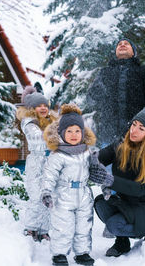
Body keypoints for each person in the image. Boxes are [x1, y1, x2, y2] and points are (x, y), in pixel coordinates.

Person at [88, 106, 145, 257]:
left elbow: (140, 188)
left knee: (114, 225)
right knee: (101, 204)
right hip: (127, 201)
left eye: (141, 128)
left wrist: (108, 180)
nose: (134, 131)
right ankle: (122, 242)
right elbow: (97, 158)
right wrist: (74, 156)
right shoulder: (120, 144)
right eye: (134, 124)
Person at [87, 38, 145, 145]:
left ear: (133, 52)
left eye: (126, 44)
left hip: (135, 132)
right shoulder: (104, 72)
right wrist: (96, 91)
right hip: (108, 134)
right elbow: (91, 100)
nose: (122, 45)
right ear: (115, 52)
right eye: (119, 44)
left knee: (135, 162)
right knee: (107, 161)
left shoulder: (143, 71)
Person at [41, 103, 96, 266]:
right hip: (63, 196)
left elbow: (95, 169)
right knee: (63, 226)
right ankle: (59, 254)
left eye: (77, 131)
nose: (74, 135)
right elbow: (49, 175)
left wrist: (105, 181)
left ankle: (82, 253)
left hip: (84, 195)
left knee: (84, 226)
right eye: (69, 131)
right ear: (62, 133)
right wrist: (46, 191)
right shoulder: (58, 155)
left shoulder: (87, 151)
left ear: (83, 133)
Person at [16, 86, 58, 242]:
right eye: (39, 106)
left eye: (45, 105)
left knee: (48, 195)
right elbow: (37, 137)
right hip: (36, 162)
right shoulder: (29, 122)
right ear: (33, 108)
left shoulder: (51, 122)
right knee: (36, 196)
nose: (43, 108)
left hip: (50, 162)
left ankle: (43, 229)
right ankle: (31, 228)